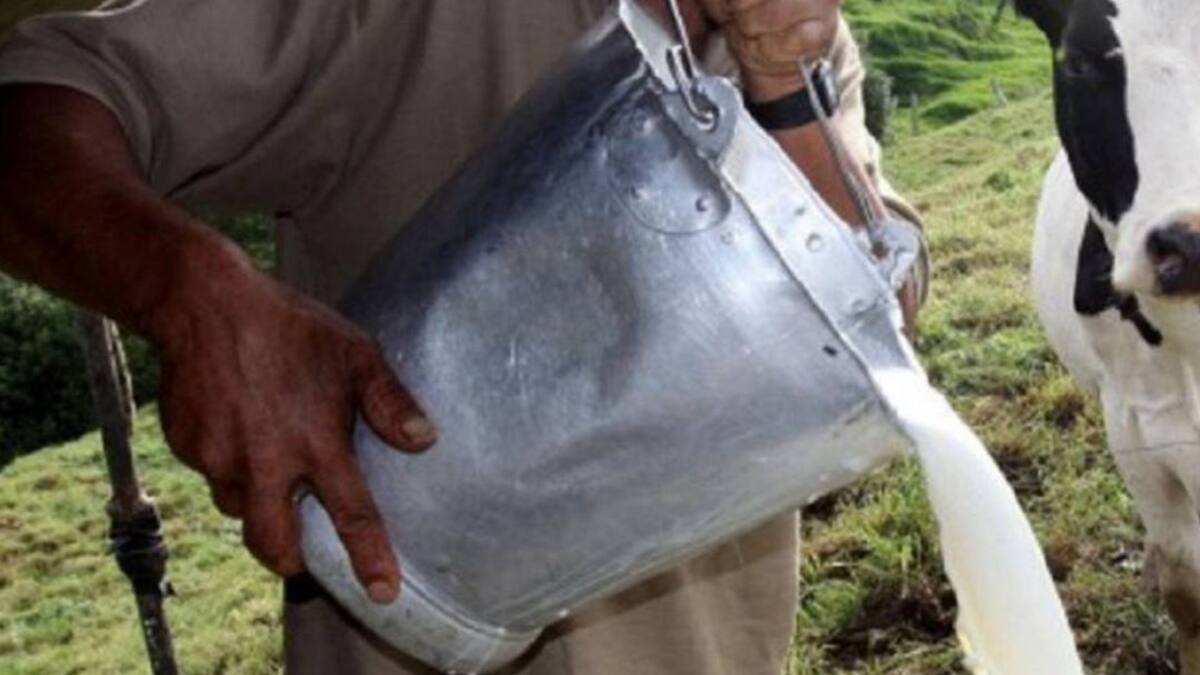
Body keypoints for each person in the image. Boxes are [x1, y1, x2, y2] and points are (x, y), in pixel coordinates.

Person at [0, 1, 924, 673]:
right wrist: (194, 295)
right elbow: (31, 111)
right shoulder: (405, 17)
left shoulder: (797, 34)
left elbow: (882, 322)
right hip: (407, 626)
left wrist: (784, 86)